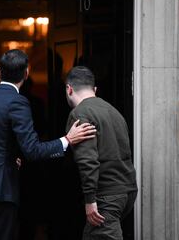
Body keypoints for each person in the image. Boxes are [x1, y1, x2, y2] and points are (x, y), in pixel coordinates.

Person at [0, 50, 97, 240]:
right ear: (26, 73)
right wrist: (67, 140)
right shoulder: (17, 101)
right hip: (0, 189)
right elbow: (32, 150)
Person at [64, 66, 138, 240]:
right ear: (94, 90)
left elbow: (87, 160)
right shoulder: (114, 112)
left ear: (69, 89)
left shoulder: (80, 114)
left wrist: (90, 199)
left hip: (106, 195)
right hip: (126, 191)